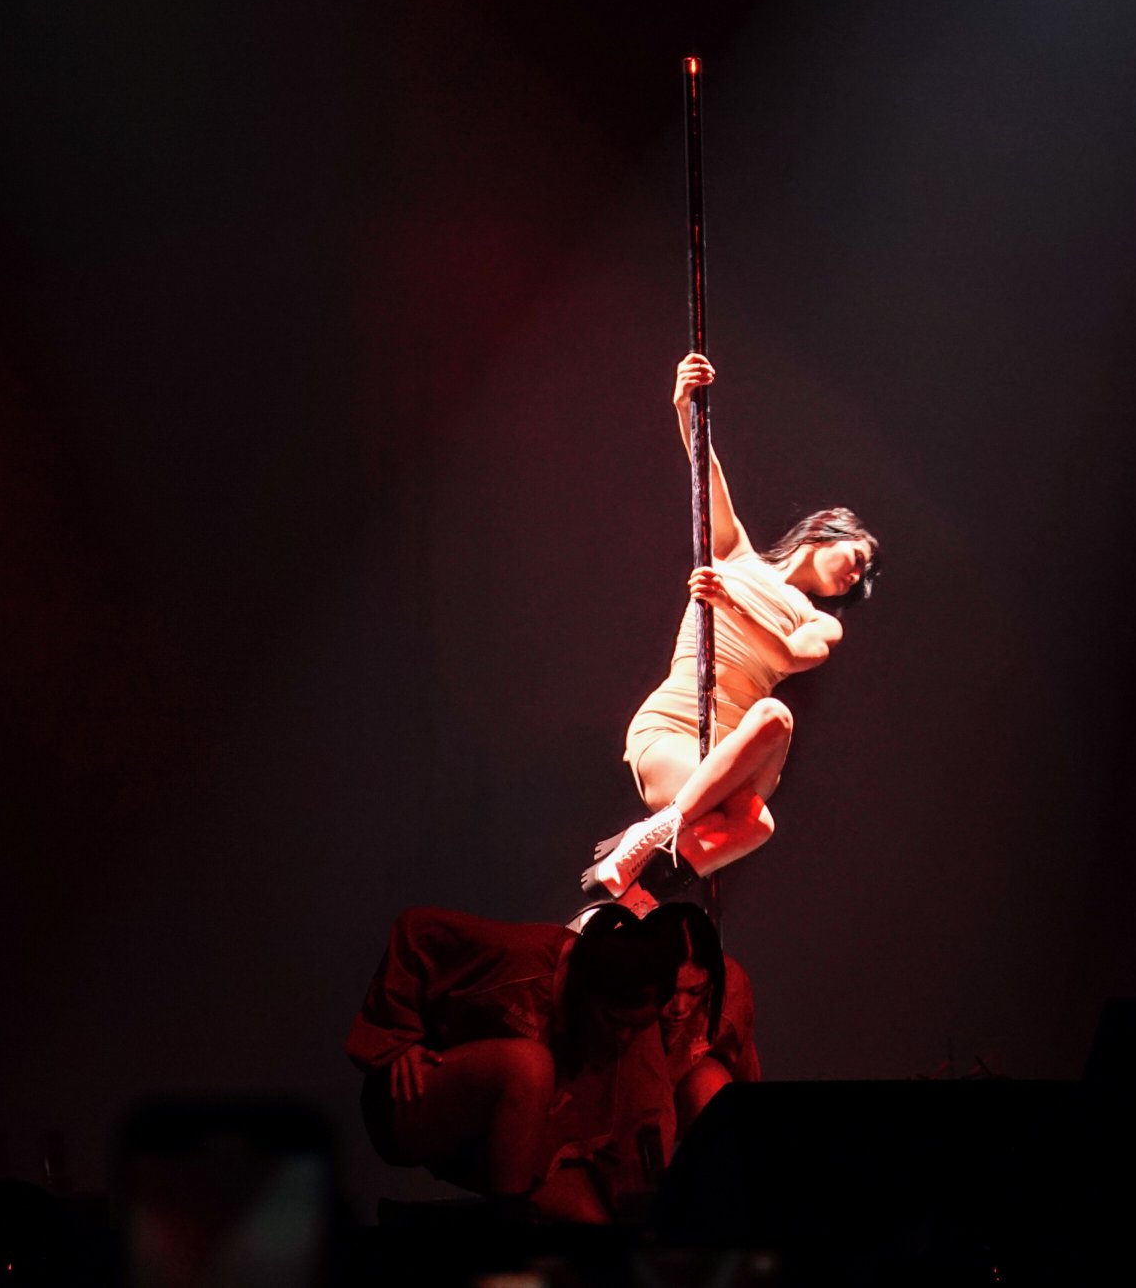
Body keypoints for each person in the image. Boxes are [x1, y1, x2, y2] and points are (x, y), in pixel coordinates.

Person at [582, 352, 882, 910]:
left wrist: (729, 605)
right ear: (826, 530)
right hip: (672, 732)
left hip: (733, 752)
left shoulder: (820, 623)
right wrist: (685, 407)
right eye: (858, 559)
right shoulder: (736, 557)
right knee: (752, 811)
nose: (855, 577)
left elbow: (788, 656)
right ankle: (656, 848)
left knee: (764, 780)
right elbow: (707, 476)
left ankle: (634, 895)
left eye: (860, 579)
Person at [346, 904, 680, 1223]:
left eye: (635, 1027)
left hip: (501, 1146)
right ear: (590, 991)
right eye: (614, 1022)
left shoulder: (636, 1025)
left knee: (595, 1221)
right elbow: (416, 929)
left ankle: (470, 1223)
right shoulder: (521, 959)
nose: (624, 1037)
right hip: (414, 1098)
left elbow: (646, 1121)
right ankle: (509, 1231)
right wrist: (399, 1037)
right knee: (529, 1066)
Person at [646, 903, 760, 1136]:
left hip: (685, 1093)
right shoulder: (621, 992)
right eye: (669, 992)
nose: (680, 1007)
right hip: (630, 1100)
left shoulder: (730, 992)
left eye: (695, 992)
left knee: (710, 1084)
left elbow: (746, 1077)